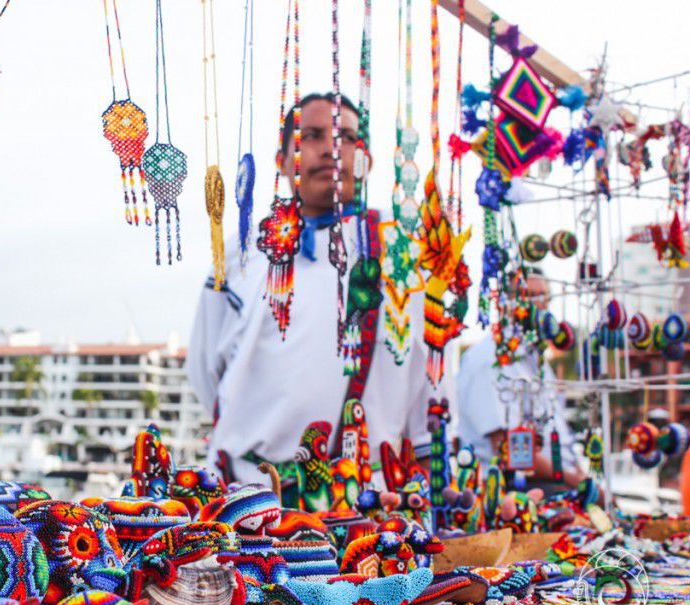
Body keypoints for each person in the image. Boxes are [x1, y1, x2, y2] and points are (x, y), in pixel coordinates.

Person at [187, 93, 432, 487]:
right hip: (247, 491)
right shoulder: (240, 253)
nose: (331, 149)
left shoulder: (402, 247)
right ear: (281, 161)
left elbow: (428, 373)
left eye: (347, 137)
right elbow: (205, 367)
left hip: (368, 497)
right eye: (312, 135)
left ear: (365, 157)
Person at [456, 269, 586, 491]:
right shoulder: (487, 359)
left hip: (557, 482)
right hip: (514, 488)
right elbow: (510, 452)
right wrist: (578, 482)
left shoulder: (537, 361)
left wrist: (584, 481)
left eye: (543, 297)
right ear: (506, 303)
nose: (538, 305)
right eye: (528, 296)